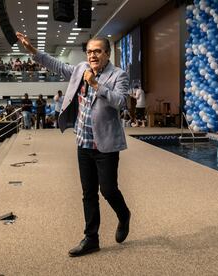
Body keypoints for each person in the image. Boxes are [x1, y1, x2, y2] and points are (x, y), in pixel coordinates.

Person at [17, 32, 131, 257]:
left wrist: (96, 84)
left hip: (105, 144)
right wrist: (32, 50)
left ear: (107, 53)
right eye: (89, 51)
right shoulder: (80, 69)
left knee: (108, 190)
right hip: (83, 142)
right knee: (88, 193)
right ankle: (91, 238)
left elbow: (121, 102)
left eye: (97, 51)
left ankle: (124, 214)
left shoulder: (119, 75)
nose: (92, 55)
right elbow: (57, 65)